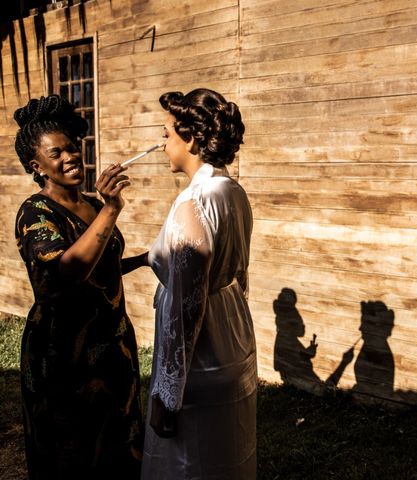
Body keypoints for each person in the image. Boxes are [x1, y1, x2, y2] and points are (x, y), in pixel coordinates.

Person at [13, 94, 145, 479]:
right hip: (64, 355)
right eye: (57, 153)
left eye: (73, 147)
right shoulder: (34, 212)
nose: (71, 156)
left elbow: (100, 267)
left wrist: (145, 259)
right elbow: (67, 271)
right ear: (37, 167)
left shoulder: (91, 202)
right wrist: (112, 208)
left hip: (112, 345)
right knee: (73, 454)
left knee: (120, 449)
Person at [141, 88, 257, 480]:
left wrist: (167, 395)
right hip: (231, 336)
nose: (162, 145)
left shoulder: (194, 202)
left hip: (200, 357)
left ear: (190, 138)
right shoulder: (233, 192)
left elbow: (186, 305)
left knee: (190, 466)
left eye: (167, 134)